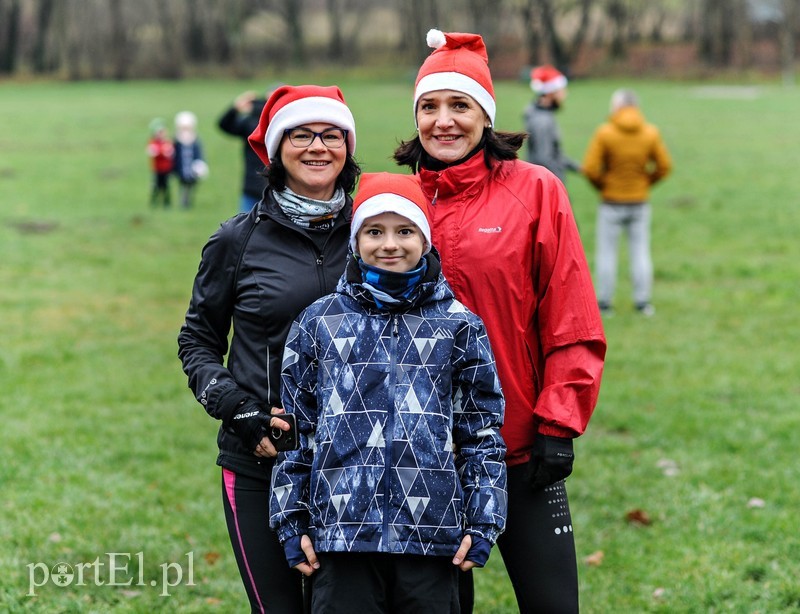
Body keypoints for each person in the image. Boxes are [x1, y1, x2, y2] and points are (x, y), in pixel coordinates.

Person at [393, 29, 607, 613]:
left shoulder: (536, 191)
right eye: (429, 107)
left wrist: (558, 421)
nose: (443, 121)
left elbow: (572, 318)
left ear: (485, 115)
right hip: (421, 456)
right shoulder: (395, 202)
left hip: (519, 447)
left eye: (459, 105)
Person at [270, 172, 507, 613]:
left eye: (405, 231)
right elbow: (296, 432)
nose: (389, 245)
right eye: (374, 232)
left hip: (432, 534)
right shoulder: (318, 323)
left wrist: (484, 517)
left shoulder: (459, 325)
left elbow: (481, 431)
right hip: (340, 535)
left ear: (426, 239)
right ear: (356, 240)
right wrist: (290, 521)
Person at [177, 84, 360, 614]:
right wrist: (237, 407)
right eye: (301, 134)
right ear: (276, 149)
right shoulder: (237, 240)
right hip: (263, 459)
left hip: (358, 464)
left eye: (331, 135)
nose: (317, 147)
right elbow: (199, 339)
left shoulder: (376, 231)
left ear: (348, 146)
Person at [581, 88, 673, 316]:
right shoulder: (650, 133)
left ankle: (605, 302)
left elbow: (590, 168)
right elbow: (664, 166)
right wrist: (645, 183)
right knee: (640, 252)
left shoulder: (605, 133)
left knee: (607, 253)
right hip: (639, 203)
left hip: (611, 203)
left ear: (617, 106)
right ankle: (642, 302)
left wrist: (604, 185)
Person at [523, 65, 580, 186]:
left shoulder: (540, 115)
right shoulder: (542, 121)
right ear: (550, 93)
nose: (565, 94)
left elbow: (554, 154)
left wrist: (575, 166)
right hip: (548, 188)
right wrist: (558, 185)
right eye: (561, 90)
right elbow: (544, 158)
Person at [218, 89, 272, 213]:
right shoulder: (288, 127)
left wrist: (236, 108)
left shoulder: (251, 122)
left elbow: (224, 125)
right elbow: (224, 125)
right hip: (257, 188)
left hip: (255, 186)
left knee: (245, 228)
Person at [173, 111, 209, 208]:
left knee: (191, 185)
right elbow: (174, 155)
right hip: (182, 169)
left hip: (192, 169)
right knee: (183, 184)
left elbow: (199, 154)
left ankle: (188, 201)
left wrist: (200, 165)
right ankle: (183, 200)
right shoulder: (176, 141)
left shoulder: (195, 141)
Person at [146, 117, 174, 207]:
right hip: (157, 169)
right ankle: (154, 202)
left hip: (166, 169)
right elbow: (154, 153)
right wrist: (162, 151)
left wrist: (161, 151)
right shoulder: (153, 142)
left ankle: (166, 202)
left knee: (166, 186)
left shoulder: (167, 142)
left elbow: (169, 153)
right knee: (156, 186)